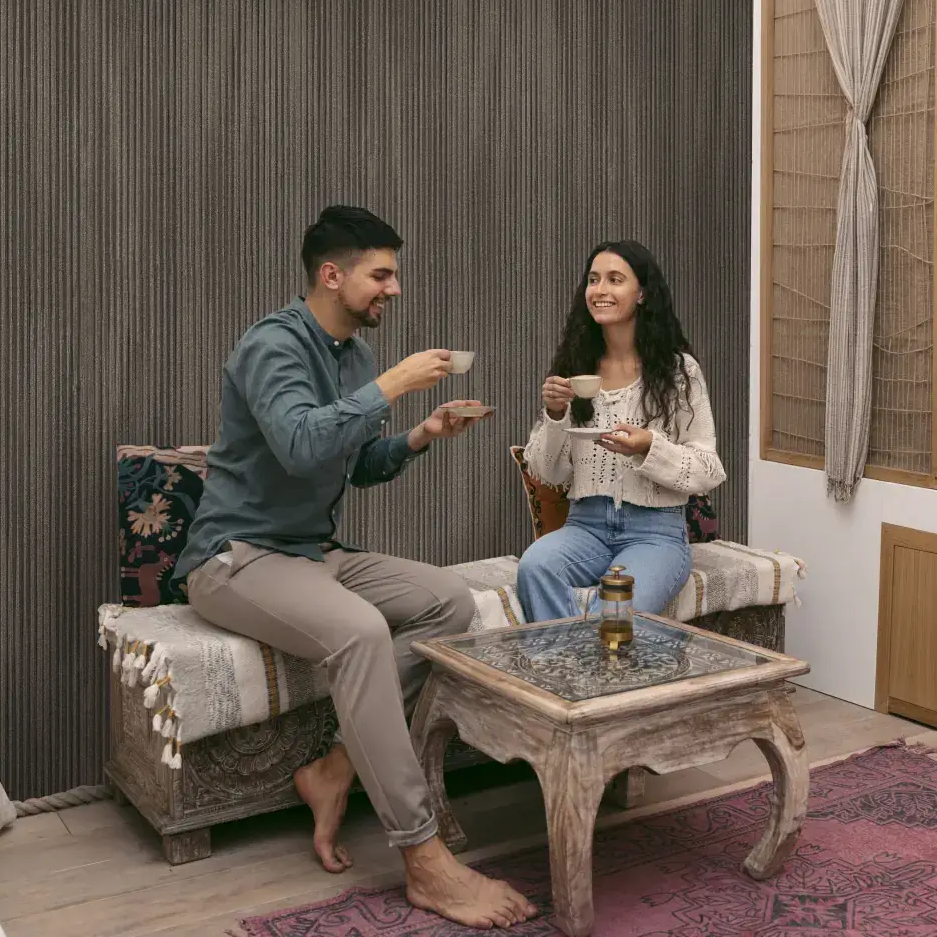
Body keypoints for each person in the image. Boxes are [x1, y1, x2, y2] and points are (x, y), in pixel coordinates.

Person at [173, 205, 537, 929]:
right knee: (361, 632)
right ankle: (423, 855)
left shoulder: (357, 357)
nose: (394, 289)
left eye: (394, 275)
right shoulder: (271, 347)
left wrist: (422, 433)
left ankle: (334, 766)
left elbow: (356, 463)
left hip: (313, 552)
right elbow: (301, 446)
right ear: (332, 275)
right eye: (382, 274)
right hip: (235, 558)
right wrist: (394, 385)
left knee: (450, 602)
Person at [517, 240, 726, 622]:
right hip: (585, 527)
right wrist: (555, 414)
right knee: (535, 566)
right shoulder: (574, 368)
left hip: (656, 534)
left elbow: (709, 470)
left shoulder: (679, 372)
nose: (600, 290)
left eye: (615, 279)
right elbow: (548, 473)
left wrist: (650, 447)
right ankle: (571, 659)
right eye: (593, 279)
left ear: (642, 293)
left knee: (615, 607)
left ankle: (576, 656)